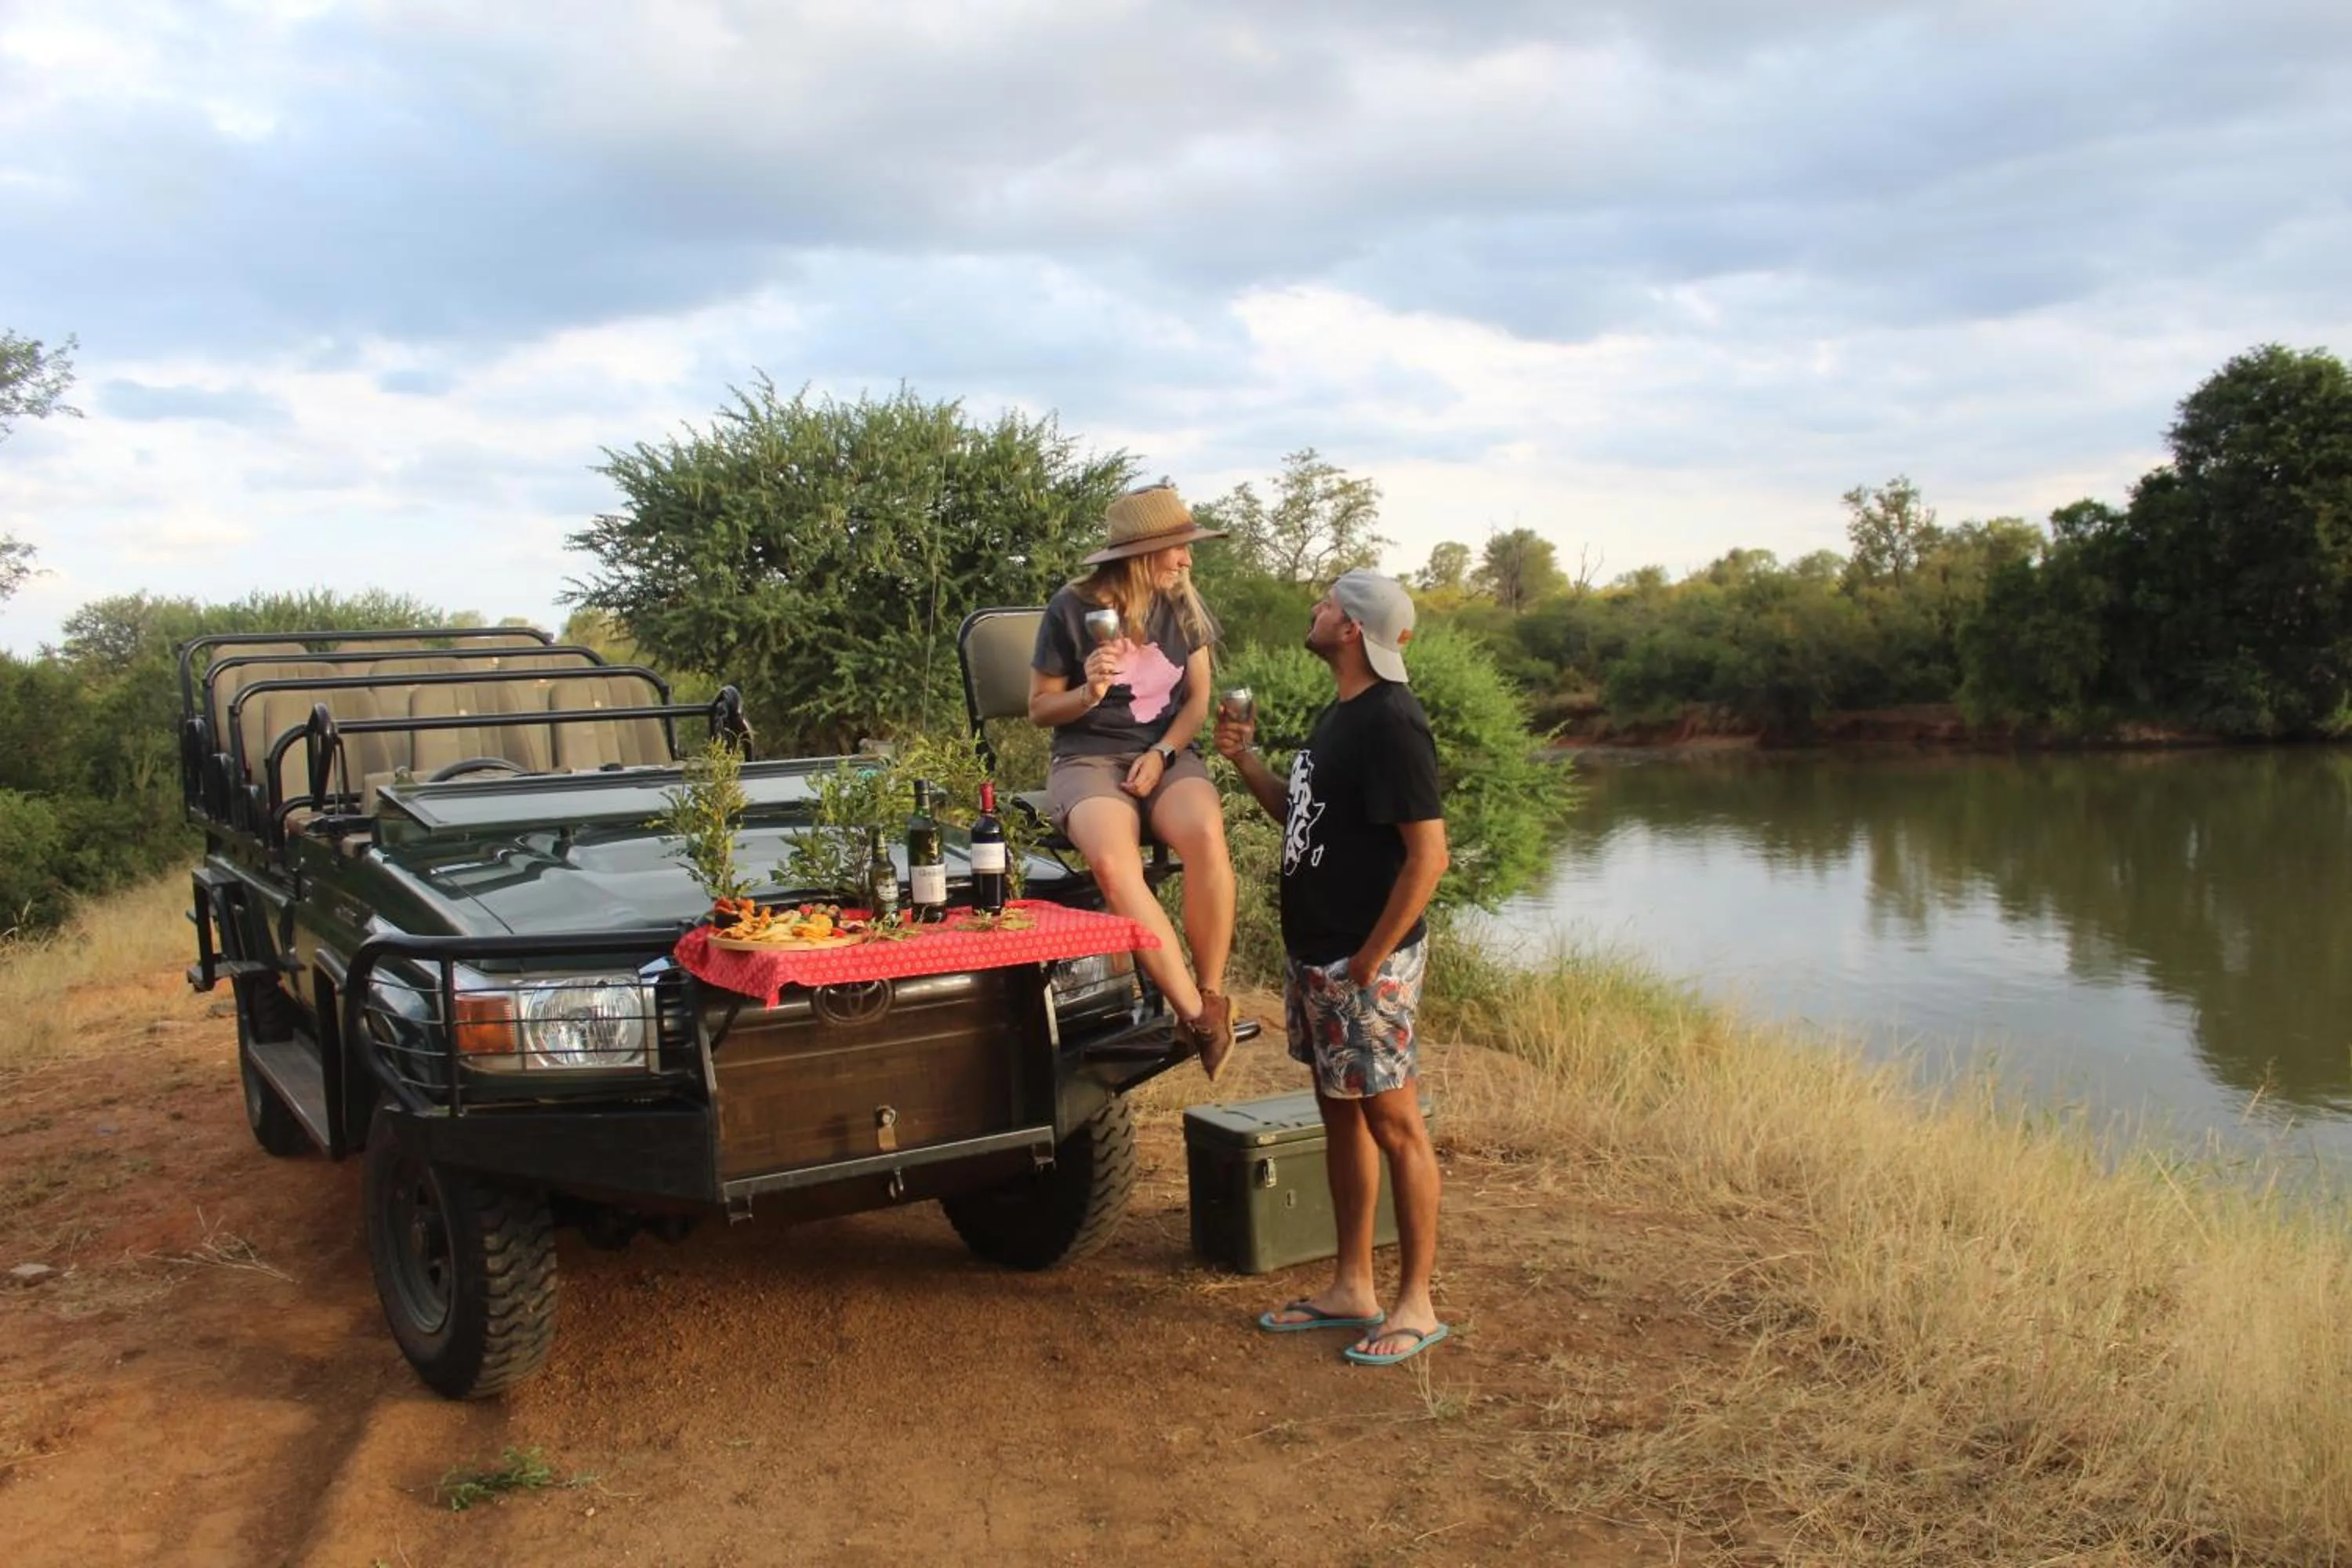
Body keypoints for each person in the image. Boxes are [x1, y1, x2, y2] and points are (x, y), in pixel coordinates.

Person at [1214, 569, 1452, 1367]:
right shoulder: (1341, 714)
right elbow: (1302, 814)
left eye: (1325, 604)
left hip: (1363, 960)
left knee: (1395, 1123)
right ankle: (1353, 1285)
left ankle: (1416, 1302)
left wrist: (1371, 958)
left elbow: (1429, 856)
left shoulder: (1393, 721)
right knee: (1341, 1113)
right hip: (1319, 953)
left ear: (1350, 628)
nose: (1313, 611)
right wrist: (1245, 759)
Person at [1030, 482, 1240, 1078]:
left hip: (1166, 754)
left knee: (1205, 833)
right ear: (1142, 553)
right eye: (1178, 548)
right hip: (1088, 759)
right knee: (1113, 864)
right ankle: (1195, 1015)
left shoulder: (1182, 604)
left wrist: (1165, 753)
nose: (1187, 560)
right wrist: (1088, 691)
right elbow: (1040, 708)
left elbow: (1197, 703)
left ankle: (1211, 992)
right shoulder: (1071, 608)